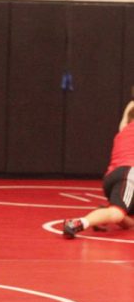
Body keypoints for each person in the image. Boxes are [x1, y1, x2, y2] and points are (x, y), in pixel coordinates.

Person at [62, 99, 134, 238]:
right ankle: (77, 223)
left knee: (128, 222)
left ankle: (102, 214)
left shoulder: (123, 131)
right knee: (116, 213)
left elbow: (127, 115)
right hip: (129, 175)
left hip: (112, 178)